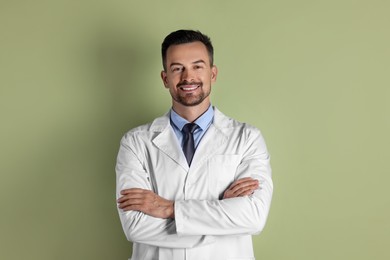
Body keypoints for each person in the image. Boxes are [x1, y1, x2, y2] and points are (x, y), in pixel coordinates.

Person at [116, 29, 273, 260]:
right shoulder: (136, 142)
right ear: (165, 78)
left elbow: (253, 217)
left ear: (213, 73)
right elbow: (136, 226)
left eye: (197, 66)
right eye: (177, 68)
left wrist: (169, 209)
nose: (188, 77)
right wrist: (223, 217)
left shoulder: (247, 139)